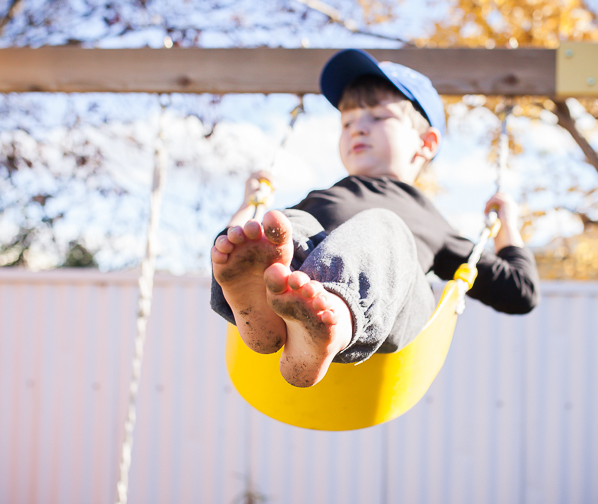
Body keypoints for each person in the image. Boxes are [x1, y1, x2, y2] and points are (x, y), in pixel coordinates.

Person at [210, 49, 539, 388]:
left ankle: (332, 315)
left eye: (378, 117)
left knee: (382, 225)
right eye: (348, 121)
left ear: (426, 143)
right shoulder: (320, 198)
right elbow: (234, 244)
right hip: (298, 294)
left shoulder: (429, 220)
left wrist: (507, 224)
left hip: (387, 313)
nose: (358, 129)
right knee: (286, 225)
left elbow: (520, 290)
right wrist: (249, 206)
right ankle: (261, 316)